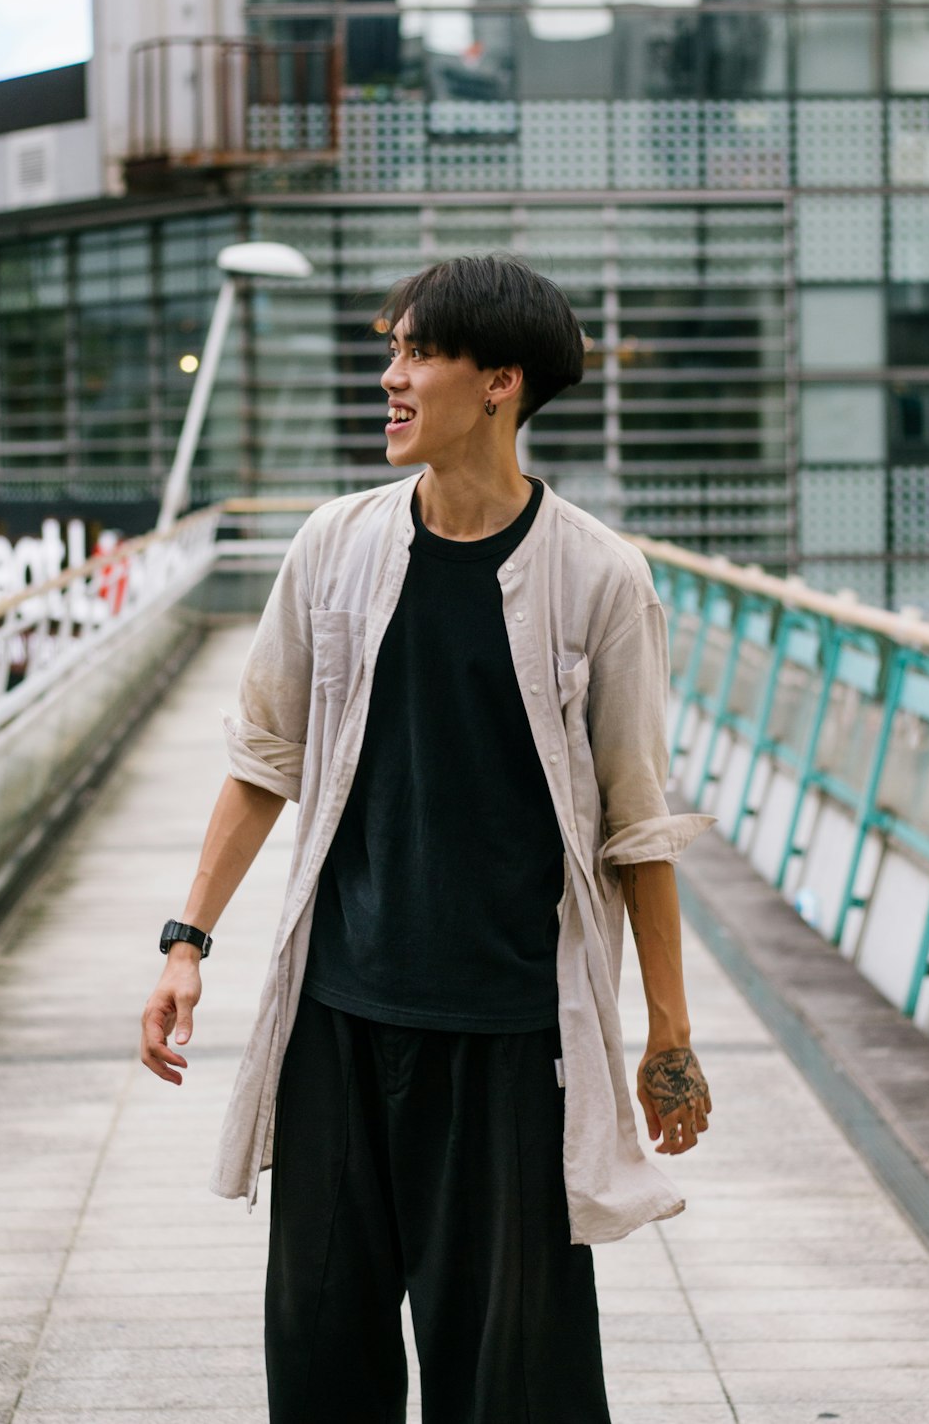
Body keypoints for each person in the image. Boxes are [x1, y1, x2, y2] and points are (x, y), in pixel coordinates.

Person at [141, 253, 715, 1424]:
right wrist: (186, 940)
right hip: (338, 1026)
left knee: (512, 1380)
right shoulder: (335, 546)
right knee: (320, 1359)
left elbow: (634, 825)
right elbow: (264, 761)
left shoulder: (599, 578)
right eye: (390, 352)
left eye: (417, 354)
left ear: (500, 381)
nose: (390, 378)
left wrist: (668, 1035)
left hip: (509, 1041)